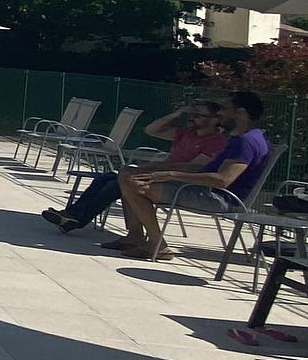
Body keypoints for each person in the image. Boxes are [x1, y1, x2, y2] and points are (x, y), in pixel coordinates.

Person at [100, 91, 270, 261]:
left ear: (241, 113)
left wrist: (171, 175)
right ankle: (135, 236)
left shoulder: (246, 142)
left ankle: (158, 245)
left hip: (219, 199)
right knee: (129, 173)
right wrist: (157, 170)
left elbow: (223, 180)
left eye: (224, 108)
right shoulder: (244, 138)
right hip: (205, 190)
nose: (219, 113)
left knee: (134, 183)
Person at [40, 100, 226, 232]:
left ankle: (75, 219)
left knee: (117, 184)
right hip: (158, 173)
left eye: (198, 115)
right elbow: (151, 130)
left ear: (214, 120)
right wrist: (177, 114)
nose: (192, 118)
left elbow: (193, 168)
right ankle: (72, 215)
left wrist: (152, 168)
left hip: (179, 182)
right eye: (191, 114)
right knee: (104, 179)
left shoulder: (215, 141)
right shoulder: (186, 133)